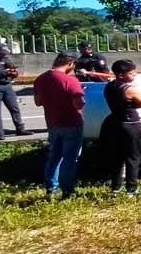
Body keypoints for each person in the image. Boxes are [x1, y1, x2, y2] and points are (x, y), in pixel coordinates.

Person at [104, 60, 141, 196]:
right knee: (133, 157)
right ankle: (132, 188)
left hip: (115, 122)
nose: (135, 75)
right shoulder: (128, 89)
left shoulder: (109, 87)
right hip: (131, 124)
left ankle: (115, 187)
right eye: (131, 73)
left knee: (117, 157)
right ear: (120, 75)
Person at [33, 52, 85, 199]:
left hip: (52, 123)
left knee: (54, 157)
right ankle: (67, 189)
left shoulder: (41, 79)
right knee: (70, 158)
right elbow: (78, 103)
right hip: (71, 122)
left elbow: (38, 102)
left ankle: (51, 188)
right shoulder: (70, 81)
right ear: (70, 63)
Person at [0, 43, 33, 140]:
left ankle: (20, 129)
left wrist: (14, 73)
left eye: (6, 53)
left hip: (7, 87)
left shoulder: (6, 60)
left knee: (15, 108)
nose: (5, 55)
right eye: (3, 53)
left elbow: (13, 70)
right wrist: (3, 73)